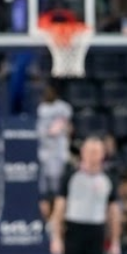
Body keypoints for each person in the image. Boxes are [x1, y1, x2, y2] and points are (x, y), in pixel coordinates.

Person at [49, 137, 121, 254]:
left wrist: (115, 242)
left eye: (96, 152)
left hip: (96, 231)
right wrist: (56, 238)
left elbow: (114, 212)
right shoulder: (71, 176)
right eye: (89, 151)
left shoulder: (108, 178)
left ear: (103, 154)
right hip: (74, 230)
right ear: (82, 153)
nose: (92, 155)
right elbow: (59, 209)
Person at [36, 85, 73, 216]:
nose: (48, 93)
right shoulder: (41, 109)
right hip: (45, 154)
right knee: (44, 192)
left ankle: (57, 217)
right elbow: (41, 132)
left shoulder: (63, 108)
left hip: (59, 154)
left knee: (59, 191)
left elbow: (68, 128)